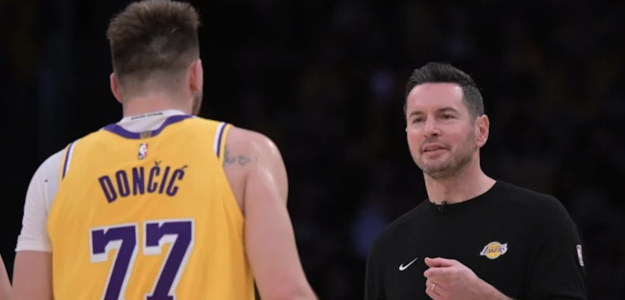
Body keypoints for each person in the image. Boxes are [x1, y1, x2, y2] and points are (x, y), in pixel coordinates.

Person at [11, 1, 317, 299]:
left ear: (116, 86)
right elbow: (285, 291)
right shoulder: (243, 155)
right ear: (196, 75)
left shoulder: (55, 173)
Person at [364, 62, 587, 300]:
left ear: (481, 130)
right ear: (408, 133)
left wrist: (480, 295)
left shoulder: (542, 219)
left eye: (445, 116)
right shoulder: (388, 247)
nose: (430, 129)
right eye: (418, 119)